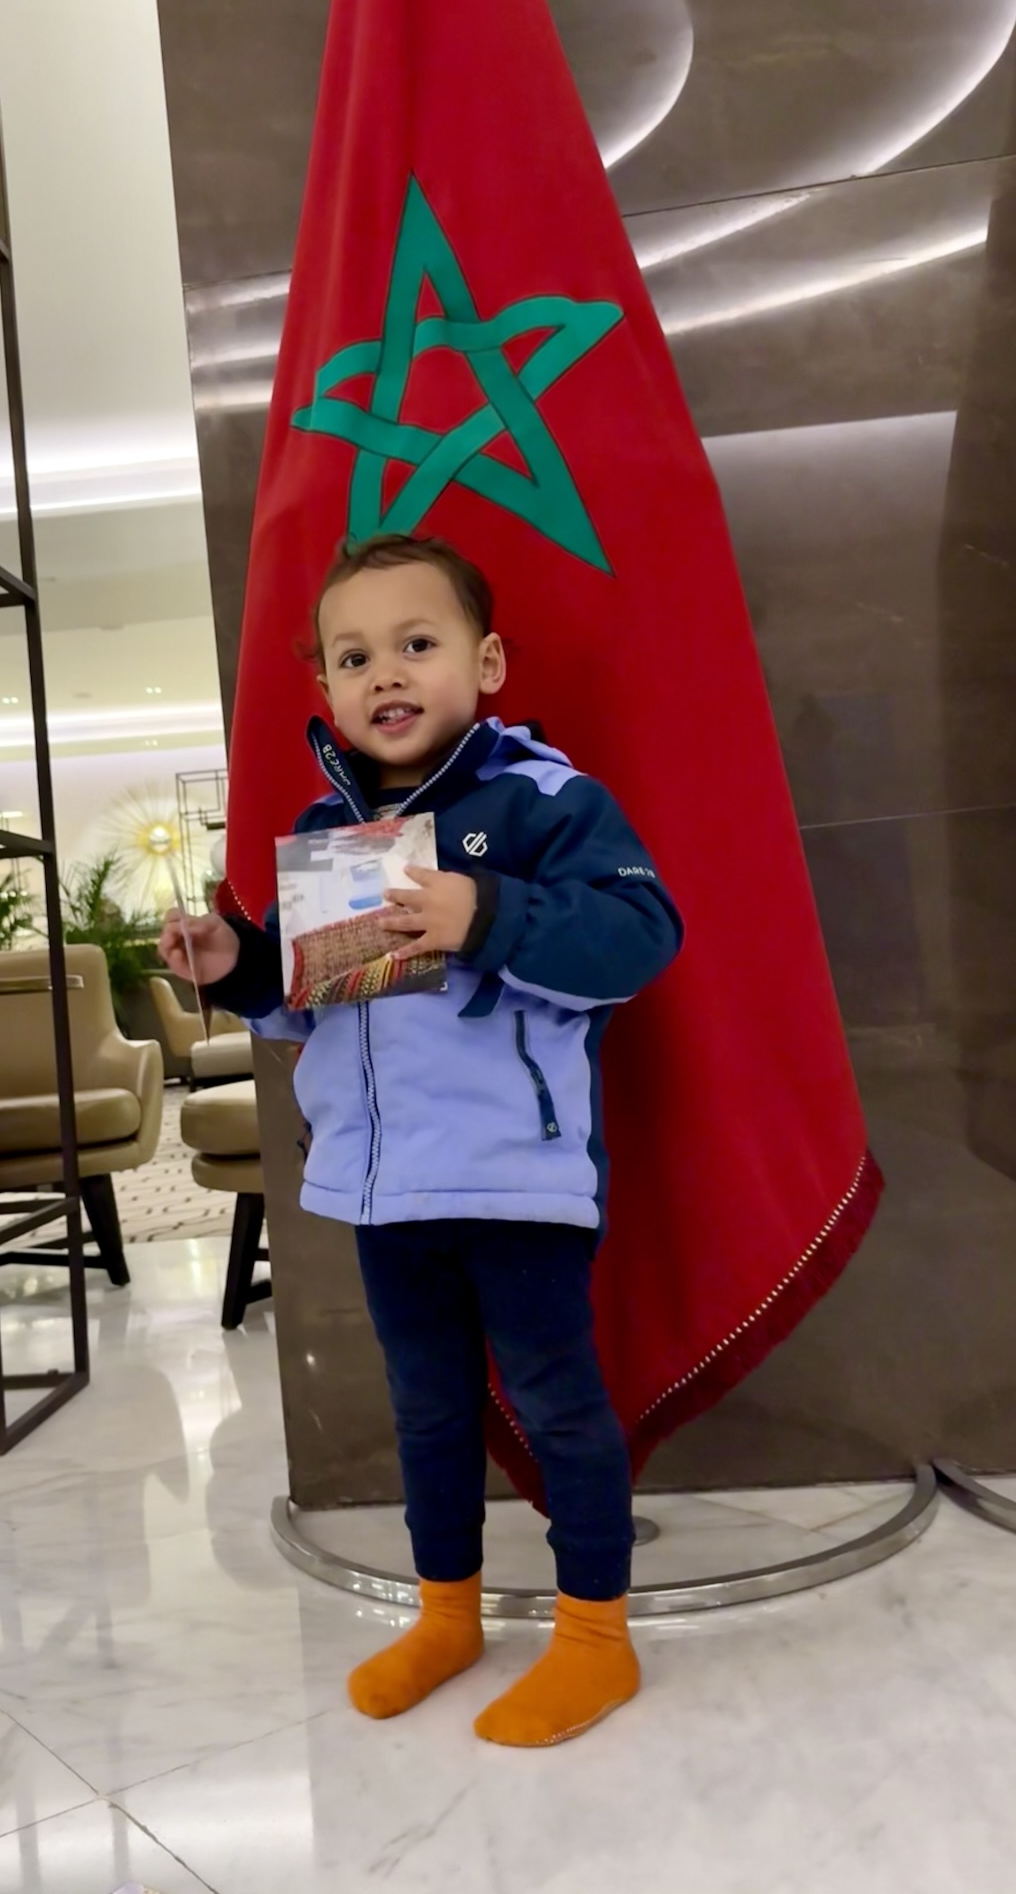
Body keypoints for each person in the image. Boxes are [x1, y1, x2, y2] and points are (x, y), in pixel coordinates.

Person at [159, 533, 683, 1748]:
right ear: (327, 690)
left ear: (484, 660)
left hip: (515, 1177)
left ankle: (594, 1636)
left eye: (416, 643)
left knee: (558, 1408)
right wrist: (239, 966)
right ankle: (445, 1608)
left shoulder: (542, 798)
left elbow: (638, 938)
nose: (384, 672)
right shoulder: (327, 831)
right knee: (429, 1409)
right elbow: (316, 1000)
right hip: (384, 1184)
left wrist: (482, 908)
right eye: (353, 656)